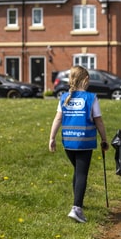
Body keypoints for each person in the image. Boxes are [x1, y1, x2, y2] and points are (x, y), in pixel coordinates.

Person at [48, 65, 109, 223]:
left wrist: (52, 138)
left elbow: (58, 119)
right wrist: (104, 139)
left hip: (68, 142)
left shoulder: (63, 97)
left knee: (78, 171)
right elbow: (99, 121)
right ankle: (76, 208)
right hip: (84, 143)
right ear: (86, 79)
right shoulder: (91, 98)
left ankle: (77, 201)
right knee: (82, 174)